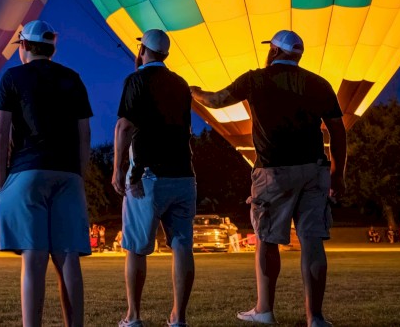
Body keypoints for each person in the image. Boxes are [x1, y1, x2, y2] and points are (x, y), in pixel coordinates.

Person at [192, 30, 346, 327]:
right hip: (314, 169)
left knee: (266, 239)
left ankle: (264, 310)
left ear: (274, 51)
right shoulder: (319, 83)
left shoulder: (255, 79)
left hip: (273, 171)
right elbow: (337, 130)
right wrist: (338, 174)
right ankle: (315, 317)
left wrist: (194, 92)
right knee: (312, 241)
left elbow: (216, 99)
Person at [0, 20, 92, 327]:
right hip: (68, 174)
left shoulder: (12, 77)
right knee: (68, 256)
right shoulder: (72, 78)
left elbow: (0, 132)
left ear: (23, 46)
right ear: (52, 48)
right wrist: (80, 177)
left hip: (27, 172)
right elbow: (84, 134)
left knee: (33, 258)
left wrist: (1, 184)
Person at [113, 28, 196, 327]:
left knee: (136, 248)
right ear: (167, 53)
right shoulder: (181, 84)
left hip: (147, 176)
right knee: (182, 245)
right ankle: (178, 317)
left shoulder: (135, 80)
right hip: (184, 175)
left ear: (141, 50)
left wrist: (118, 169)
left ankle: (133, 316)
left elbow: (124, 126)